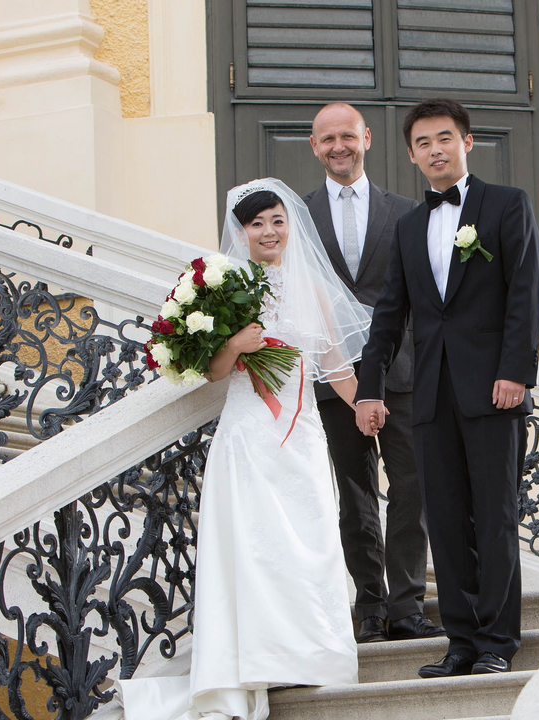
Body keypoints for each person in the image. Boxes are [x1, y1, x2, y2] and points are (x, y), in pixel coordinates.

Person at [118, 179, 370, 720]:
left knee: (309, 538)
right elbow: (210, 374)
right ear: (241, 231)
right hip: (248, 436)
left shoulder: (312, 289)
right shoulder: (223, 290)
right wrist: (234, 343)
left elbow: (337, 368)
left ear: (290, 224)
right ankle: (252, 658)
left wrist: (366, 410)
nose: (268, 231)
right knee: (251, 544)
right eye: (256, 224)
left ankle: (312, 655)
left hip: (299, 435)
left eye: (277, 220)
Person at [354, 98, 539, 678]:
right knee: (444, 520)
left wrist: (515, 371)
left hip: (493, 391)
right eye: (422, 143)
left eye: (445, 138)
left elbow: (525, 292)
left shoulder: (507, 205)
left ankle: (496, 642)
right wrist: (369, 387)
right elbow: (390, 314)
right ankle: (460, 641)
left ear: (467, 142)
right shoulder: (411, 226)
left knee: (493, 518)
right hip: (431, 397)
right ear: (411, 155)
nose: (434, 150)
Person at [300, 103, 442, 643]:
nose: (339, 146)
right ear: (314, 146)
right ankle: (369, 608)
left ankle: (407, 605)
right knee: (353, 494)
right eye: (327, 138)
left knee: (412, 489)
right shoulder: (297, 215)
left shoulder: (408, 211)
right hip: (331, 375)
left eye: (348, 136)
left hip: (403, 373)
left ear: (367, 139)